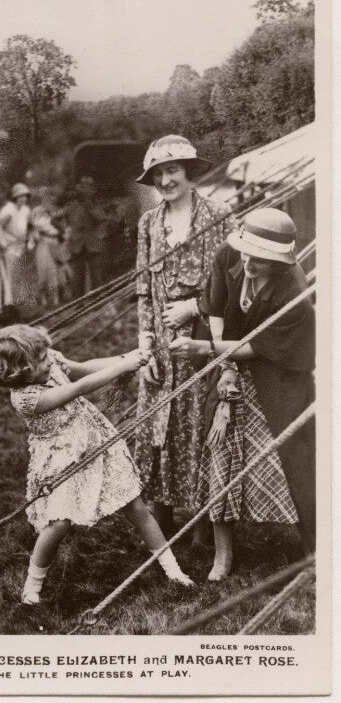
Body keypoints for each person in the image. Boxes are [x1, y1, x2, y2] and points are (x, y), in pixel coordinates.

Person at [0, 324, 193, 604]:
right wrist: (123, 367)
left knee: (135, 505)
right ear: (23, 371)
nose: (51, 361)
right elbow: (79, 388)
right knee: (58, 523)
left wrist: (123, 358)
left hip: (94, 440)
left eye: (48, 356)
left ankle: (173, 570)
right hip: (61, 454)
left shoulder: (49, 360)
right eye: (43, 361)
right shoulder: (25, 399)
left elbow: (83, 368)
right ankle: (32, 587)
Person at [168, 208, 315, 580]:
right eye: (246, 251)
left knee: (294, 454)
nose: (248, 261)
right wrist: (226, 366)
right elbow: (215, 310)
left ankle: (314, 546)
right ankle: (222, 553)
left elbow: (264, 347)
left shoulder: (294, 291)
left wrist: (209, 352)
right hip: (229, 359)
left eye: (260, 258)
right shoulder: (228, 255)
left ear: (279, 263)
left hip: (279, 374)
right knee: (220, 447)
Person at [134, 134, 236, 543]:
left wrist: (194, 307)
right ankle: (162, 517)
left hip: (205, 334)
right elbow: (143, 285)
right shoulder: (148, 223)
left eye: (172, 170)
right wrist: (145, 341)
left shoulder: (219, 214)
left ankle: (206, 526)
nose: (165, 180)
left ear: (190, 172)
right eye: (158, 174)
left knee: (202, 423)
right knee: (160, 425)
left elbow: (232, 278)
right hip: (161, 339)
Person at [65, 175, 109, 297]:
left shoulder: (94, 205)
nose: (84, 193)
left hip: (92, 244)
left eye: (88, 189)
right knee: (78, 276)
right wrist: (66, 232)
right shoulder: (72, 206)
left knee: (96, 275)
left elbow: (102, 219)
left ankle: (98, 300)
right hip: (76, 244)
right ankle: (79, 302)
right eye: (82, 189)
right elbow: (56, 219)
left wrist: (89, 206)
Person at [0, 183, 32, 303]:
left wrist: (28, 239)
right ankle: (9, 305)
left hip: (21, 247)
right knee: (10, 277)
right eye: (20, 196)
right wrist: (5, 241)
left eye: (25, 196)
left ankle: (19, 303)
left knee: (19, 276)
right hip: (9, 248)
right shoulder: (8, 210)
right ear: (14, 197)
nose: (23, 198)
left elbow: (28, 227)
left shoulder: (25, 210)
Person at [30, 188, 63, 308]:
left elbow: (60, 228)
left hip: (53, 243)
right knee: (42, 271)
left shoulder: (55, 210)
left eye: (48, 195)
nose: (46, 198)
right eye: (43, 196)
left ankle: (55, 300)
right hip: (43, 244)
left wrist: (56, 231)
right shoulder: (36, 211)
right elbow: (38, 226)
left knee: (54, 271)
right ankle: (43, 299)